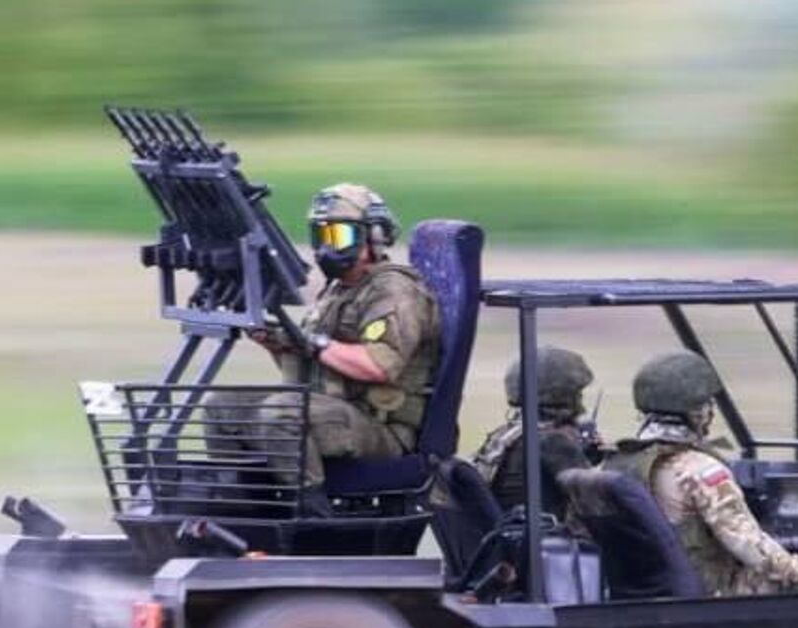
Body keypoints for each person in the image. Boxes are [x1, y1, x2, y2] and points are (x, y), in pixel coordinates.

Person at [207, 183, 441, 514]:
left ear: (373, 237)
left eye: (340, 236)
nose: (328, 248)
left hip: (382, 428)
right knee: (222, 407)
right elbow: (317, 368)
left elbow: (379, 366)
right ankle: (243, 514)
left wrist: (315, 344)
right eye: (321, 236)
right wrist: (279, 345)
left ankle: (313, 515)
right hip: (335, 410)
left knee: (282, 413)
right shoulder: (339, 289)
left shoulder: (394, 292)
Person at [604, 351, 798, 599]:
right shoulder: (700, 471)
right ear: (697, 413)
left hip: (647, 593)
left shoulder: (616, 465)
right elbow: (754, 551)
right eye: (708, 404)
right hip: (714, 594)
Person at [470, 346, 602, 518]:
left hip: (508, 532)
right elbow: (596, 504)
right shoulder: (552, 442)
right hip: (542, 538)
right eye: (577, 393)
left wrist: (584, 454)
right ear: (562, 394)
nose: (581, 402)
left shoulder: (505, 435)